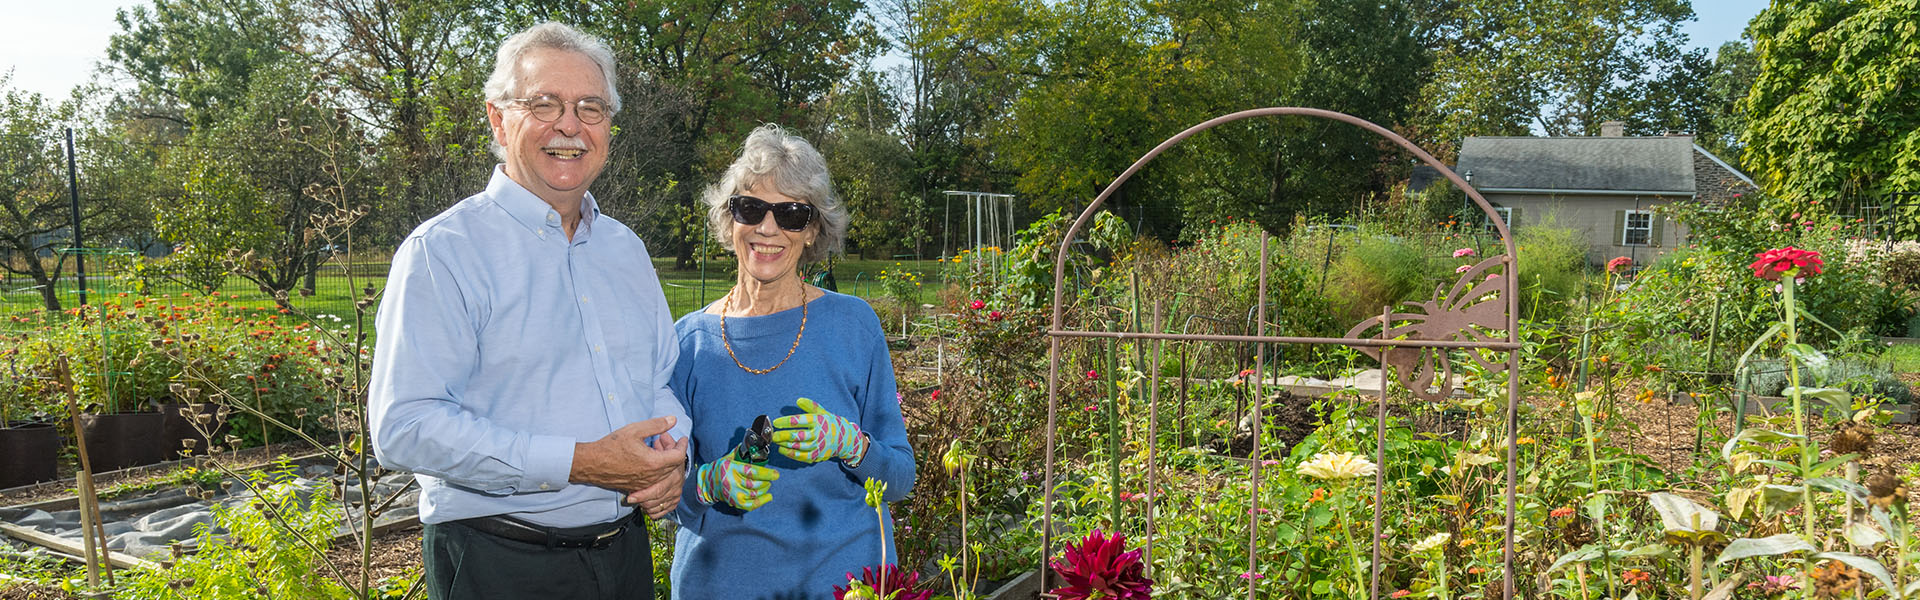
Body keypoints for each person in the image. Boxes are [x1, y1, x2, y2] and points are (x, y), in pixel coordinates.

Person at [368, 22, 689, 600]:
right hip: (500, 563)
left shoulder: (626, 250)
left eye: (591, 108)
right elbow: (405, 426)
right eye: (545, 103)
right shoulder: (443, 252)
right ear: (498, 118)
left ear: (609, 127)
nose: (569, 125)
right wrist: (580, 462)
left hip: (623, 558)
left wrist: (671, 458)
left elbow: (657, 382)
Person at [668, 124, 916, 599]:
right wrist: (708, 482)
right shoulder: (688, 343)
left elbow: (899, 475)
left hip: (844, 584)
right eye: (750, 208)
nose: (767, 227)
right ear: (729, 219)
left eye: (791, 214)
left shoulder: (853, 324)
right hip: (718, 585)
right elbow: (662, 496)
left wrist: (852, 445)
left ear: (814, 230)